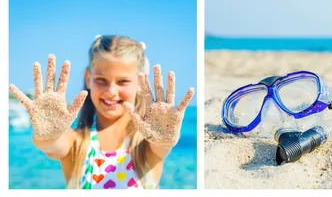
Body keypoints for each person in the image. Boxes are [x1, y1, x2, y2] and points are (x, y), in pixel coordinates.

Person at [9, 35, 194, 189]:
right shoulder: (76, 144)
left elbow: (162, 145)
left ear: (141, 83)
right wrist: (46, 134)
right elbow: (51, 143)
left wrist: (166, 138)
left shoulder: (146, 145)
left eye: (122, 81)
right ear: (88, 79)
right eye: (101, 79)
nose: (111, 91)